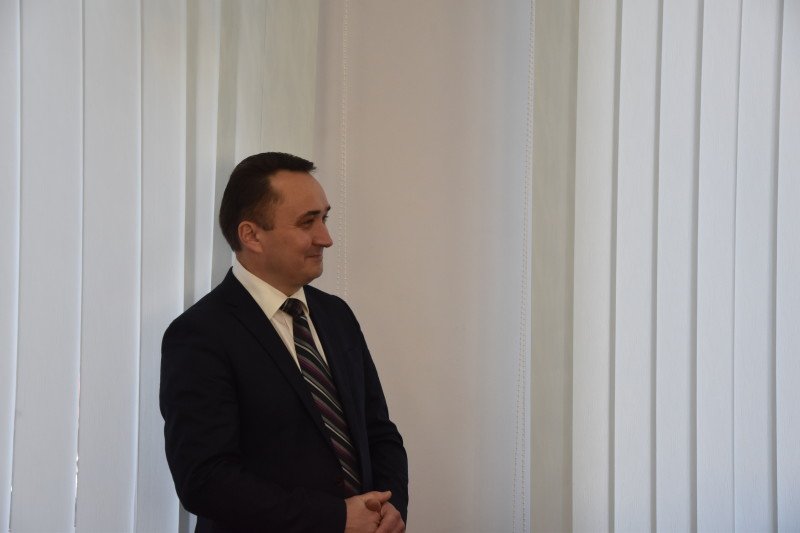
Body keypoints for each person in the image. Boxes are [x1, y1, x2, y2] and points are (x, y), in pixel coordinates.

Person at [160, 152, 408, 532]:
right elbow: (206, 479)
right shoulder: (199, 335)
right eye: (307, 222)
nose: (326, 238)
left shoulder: (336, 315)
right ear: (252, 235)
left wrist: (390, 506)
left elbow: (378, 431)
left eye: (324, 218)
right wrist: (336, 518)